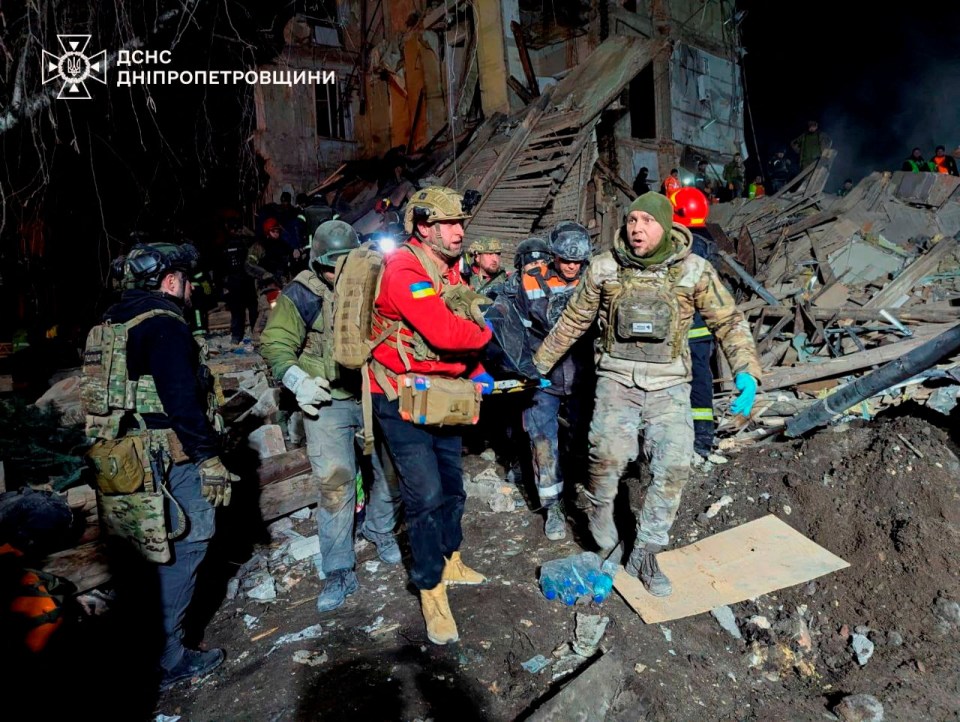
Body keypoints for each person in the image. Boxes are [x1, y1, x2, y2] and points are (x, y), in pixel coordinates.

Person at [532, 192, 762, 597]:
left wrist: (747, 370)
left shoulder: (695, 270)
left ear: (667, 224)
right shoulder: (604, 268)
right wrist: (537, 365)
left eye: (646, 221)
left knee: (673, 468)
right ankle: (606, 539)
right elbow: (573, 322)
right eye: (632, 220)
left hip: (670, 387)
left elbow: (728, 320)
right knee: (605, 464)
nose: (637, 228)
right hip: (617, 382)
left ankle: (646, 551)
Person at [92, 242, 239, 689]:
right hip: (166, 459)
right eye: (185, 279)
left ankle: (136, 648)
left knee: (140, 554)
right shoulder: (165, 325)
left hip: (122, 461)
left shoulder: (112, 324)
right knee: (186, 545)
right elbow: (181, 402)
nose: (191, 287)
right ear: (170, 281)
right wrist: (208, 456)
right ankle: (169, 657)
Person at [368, 186, 492, 644]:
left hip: (443, 393)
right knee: (424, 496)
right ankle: (430, 587)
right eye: (449, 224)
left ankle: (450, 558)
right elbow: (444, 330)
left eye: (462, 222)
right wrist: (485, 335)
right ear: (424, 227)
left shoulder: (450, 269)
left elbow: (460, 326)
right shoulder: (404, 268)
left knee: (453, 485)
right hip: (400, 397)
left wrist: (477, 371)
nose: (460, 231)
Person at [259, 221, 403, 613]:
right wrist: (297, 380)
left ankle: (380, 529)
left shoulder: (371, 280)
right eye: (330, 267)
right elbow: (275, 343)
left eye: (345, 264)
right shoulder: (302, 294)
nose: (338, 274)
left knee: (390, 470)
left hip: (374, 394)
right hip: (326, 401)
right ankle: (339, 567)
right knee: (336, 483)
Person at [515, 224, 593, 540]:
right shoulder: (531, 278)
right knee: (542, 442)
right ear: (553, 255)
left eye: (578, 261)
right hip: (542, 374)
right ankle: (553, 507)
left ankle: (588, 494)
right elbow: (516, 325)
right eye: (564, 260)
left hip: (583, 372)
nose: (571, 266)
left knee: (587, 437)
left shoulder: (595, 276)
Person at [669, 187, 723, 461]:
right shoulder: (707, 239)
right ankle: (703, 435)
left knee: (679, 382)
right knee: (701, 380)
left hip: (684, 328)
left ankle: (694, 437)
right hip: (702, 329)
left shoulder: (685, 244)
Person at [221, 224, 258, 344]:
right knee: (240, 311)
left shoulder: (241, 243)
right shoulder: (232, 244)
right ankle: (240, 335)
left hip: (242, 281)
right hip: (239, 282)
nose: (236, 231)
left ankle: (246, 335)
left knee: (248, 310)